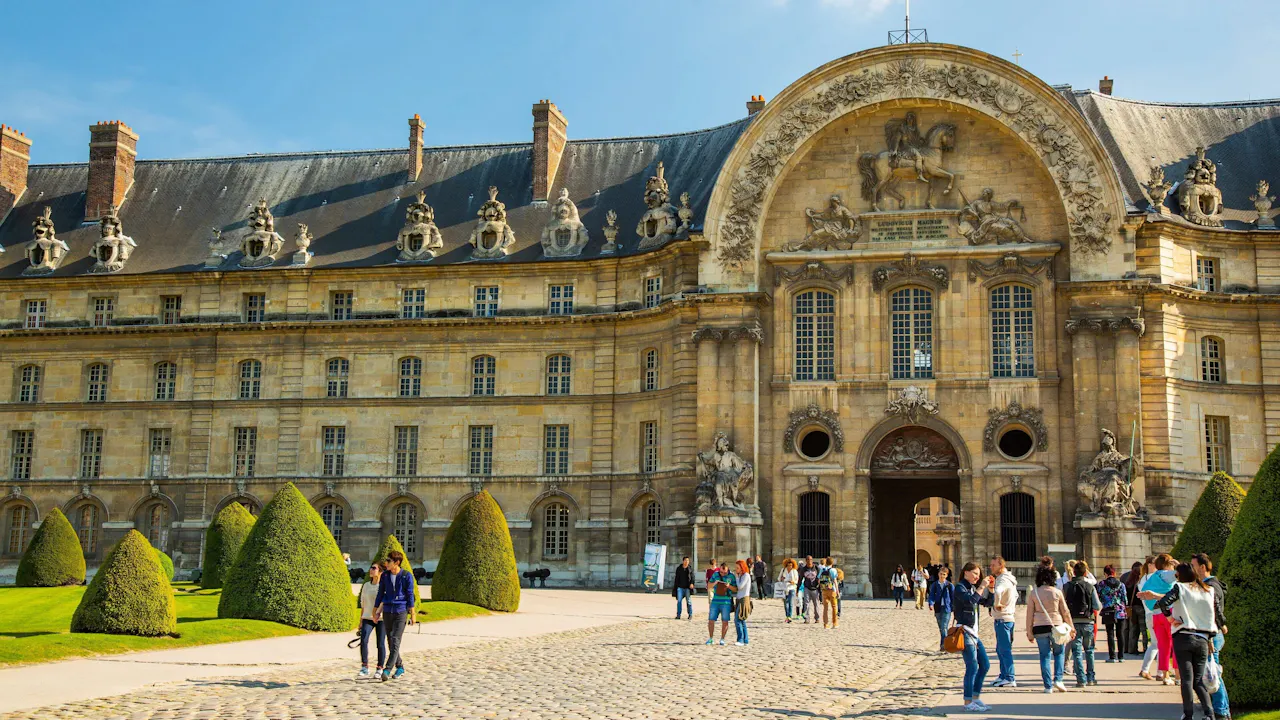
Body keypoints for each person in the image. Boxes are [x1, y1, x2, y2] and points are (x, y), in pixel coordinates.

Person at [1152, 562, 1219, 720]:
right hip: (1203, 637)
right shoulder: (1208, 590)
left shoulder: (1180, 589)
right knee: (1198, 680)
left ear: (1180, 576)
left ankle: (1188, 714)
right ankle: (1209, 714)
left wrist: (1170, 618)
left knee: (1187, 680)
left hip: (1183, 636)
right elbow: (1214, 613)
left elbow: (1163, 603)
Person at [1191, 553, 1231, 720]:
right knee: (1213, 673)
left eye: (1193, 566)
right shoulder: (1211, 584)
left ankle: (1220, 711)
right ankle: (1223, 710)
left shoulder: (1210, 586)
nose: (1192, 569)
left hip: (1211, 635)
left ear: (1202, 567)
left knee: (1213, 674)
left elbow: (1214, 612)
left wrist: (1215, 631)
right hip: (1212, 633)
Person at [1026, 559, 1074, 693]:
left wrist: (1029, 632)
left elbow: (1029, 614)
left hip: (1039, 627)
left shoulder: (1034, 593)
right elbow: (1065, 611)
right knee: (1059, 653)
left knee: (1044, 656)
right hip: (1056, 626)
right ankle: (1058, 679)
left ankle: (1048, 686)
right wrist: (1071, 627)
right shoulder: (1057, 592)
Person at [953, 562, 993, 712]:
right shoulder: (960, 588)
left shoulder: (972, 588)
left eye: (978, 574)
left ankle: (975, 697)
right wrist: (982, 587)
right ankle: (967, 701)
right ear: (966, 573)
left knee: (985, 665)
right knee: (972, 666)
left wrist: (991, 589)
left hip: (974, 633)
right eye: (975, 573)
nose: (977, 576)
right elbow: (970, 602)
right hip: (964, 631)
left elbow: (988, 602)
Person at [373, 550, 416, 681]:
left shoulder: (406, 576)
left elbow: (410, 595)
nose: (386, 563)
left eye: (389, 561)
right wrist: (375, 611)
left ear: (397, 563)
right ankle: (400, 666)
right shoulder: (385, 576)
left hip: (400, 611)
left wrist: (412, 613)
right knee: (390, 641)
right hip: (387, 611)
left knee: (395, 639)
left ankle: (387, 669)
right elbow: (380, 593)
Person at [1137, 553, 1177, 684]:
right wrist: (1177, 565)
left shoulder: (1151, 578)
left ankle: (1165, 675)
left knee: (1163, 645)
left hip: (1155, 614)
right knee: (1175, 644)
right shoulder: (1165, 574)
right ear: (1167, 564)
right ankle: (1178, 675)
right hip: (1169, 612)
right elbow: (1182, 574)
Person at [1064, 559, 1101, 687]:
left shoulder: (1067, 586)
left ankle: (1081, 679)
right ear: (1085, 573)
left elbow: (1063, 606)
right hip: (1088, 622)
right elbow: (1097, 605)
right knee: (1089, 651)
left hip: (1072, 623)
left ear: (1073, 572)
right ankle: (1091, 677)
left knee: (1076, 651)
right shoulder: (1090, 587)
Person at [988, 555, 1019, 688]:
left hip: (1003, 619)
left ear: (1001, 566)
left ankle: (1010, 677)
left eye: (993, 565)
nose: (991, 567)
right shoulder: (1007, 579)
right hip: (1006, 618)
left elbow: (999, 590)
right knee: (1000, 649)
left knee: (1004, 649)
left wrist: (997, 603)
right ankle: (1003, 675)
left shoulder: (1003, 580)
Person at [356, 562, 386, 679]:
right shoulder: (366, 585)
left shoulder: (383, 586)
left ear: (380, 572)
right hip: (367, 617)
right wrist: (361, 620)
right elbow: (363, 604)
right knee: (364, 640)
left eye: (374, 568)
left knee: (380, 644)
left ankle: (379, 668)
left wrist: (378, 614)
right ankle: (364, 666)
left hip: (381, 618)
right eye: (371, 568)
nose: (371, 570)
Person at [1097, 564, 1128, 663]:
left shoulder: (1101, 584)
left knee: (1110, 633)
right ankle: (1121, 656)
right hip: (1120, 611)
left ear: (1105, 574)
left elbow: (1099, 597)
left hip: (1108, 611)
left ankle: (1112, 656)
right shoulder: (1121, 584)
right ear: (1114, 573)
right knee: (1120, 634)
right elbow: (1125, 599)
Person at [705, 561, 737, 645]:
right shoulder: (715, 574)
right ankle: (711, 638)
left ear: (728, 570)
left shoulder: (732, 576)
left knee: (725, 621)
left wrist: (728, 586)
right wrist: (714, 583)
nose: (722, 574)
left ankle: (722, 639)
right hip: (715, 600)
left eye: (724, 572)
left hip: (726, 602)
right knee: (711, 620)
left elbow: (736, 589)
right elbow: (708, 586)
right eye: (721, 572)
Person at [1122, 560, 1146, 657]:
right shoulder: (1142, 581)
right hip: (1141, 607)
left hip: (1131, 607)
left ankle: (1132, 648)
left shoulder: (1128, 581)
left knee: (1133, 629)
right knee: (1144, 629)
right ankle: (1145, 648)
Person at [927, 566, 954, 651]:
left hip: (947, 608)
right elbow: (931, 595)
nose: (942, 576)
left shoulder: (950, 585)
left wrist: (954, 608)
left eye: (944, 574)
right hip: (938, 608)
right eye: (940, 574)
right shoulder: (935, 585)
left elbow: (953, 598)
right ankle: (944, 644)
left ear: (946, 575)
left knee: (944, 627)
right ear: (938, 574)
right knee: (941, 628)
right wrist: (931, 604)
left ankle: (944, 645)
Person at [734, 559, 753, 645]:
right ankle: (746, 640)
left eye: (737, 568)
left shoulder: (746, 575)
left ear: (742, 568)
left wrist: (737, 578)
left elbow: (740, 586)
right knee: (742, 620)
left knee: (737, 619)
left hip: (744, 599)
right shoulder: (741, 576)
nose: (736, 570)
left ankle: (740, 639)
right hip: (739, 599)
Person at [798, 556, 821, 625]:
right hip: (806, 587)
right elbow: (800, 579)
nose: (809, 561)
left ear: (812, 560)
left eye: (810, 559)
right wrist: (797, 588)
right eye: (807, 559)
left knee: (816, 603)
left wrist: (820, 588)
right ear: (806, 560)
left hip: (815, 588)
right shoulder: (803, 569)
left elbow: (820, 578)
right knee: (806, 603)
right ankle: (807, 618)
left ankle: (817, 618)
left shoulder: (816, 568)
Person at [819, 557, 840, 629]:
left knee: (825, 608)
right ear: (832, 563)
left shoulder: (822, 569)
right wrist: (837, 591)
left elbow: (819, 580)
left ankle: (825, 624)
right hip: (832, 590)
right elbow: (835, 581)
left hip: (824, 590)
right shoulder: (833, 570)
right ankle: (835, 623)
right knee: (834, 607)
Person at [672, 556, 695, 620]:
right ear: (683, 561)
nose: (687, 562)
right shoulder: (679, 569)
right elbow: (676, 578)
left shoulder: (690, 569)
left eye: (688, 561)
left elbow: (693, 577)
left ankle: (690, 614)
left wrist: (692, 583)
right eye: (685, 560)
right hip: (680, 588)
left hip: (687, 588)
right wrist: (675, 587)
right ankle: (678, 615)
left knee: (689, 601)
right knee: (679, 601)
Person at [777, 558, 799, 623]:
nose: (789, 566)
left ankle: (790, 616)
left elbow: (796, 580)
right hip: (785, 588)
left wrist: (793, 582)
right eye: (788, 565)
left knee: (790, 602)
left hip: (792, 588)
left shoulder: (794, 571)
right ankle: (787, 616)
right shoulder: (783, 570)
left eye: (791, 565)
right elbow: (778, 578)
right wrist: (782, 578)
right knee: (785, 603)